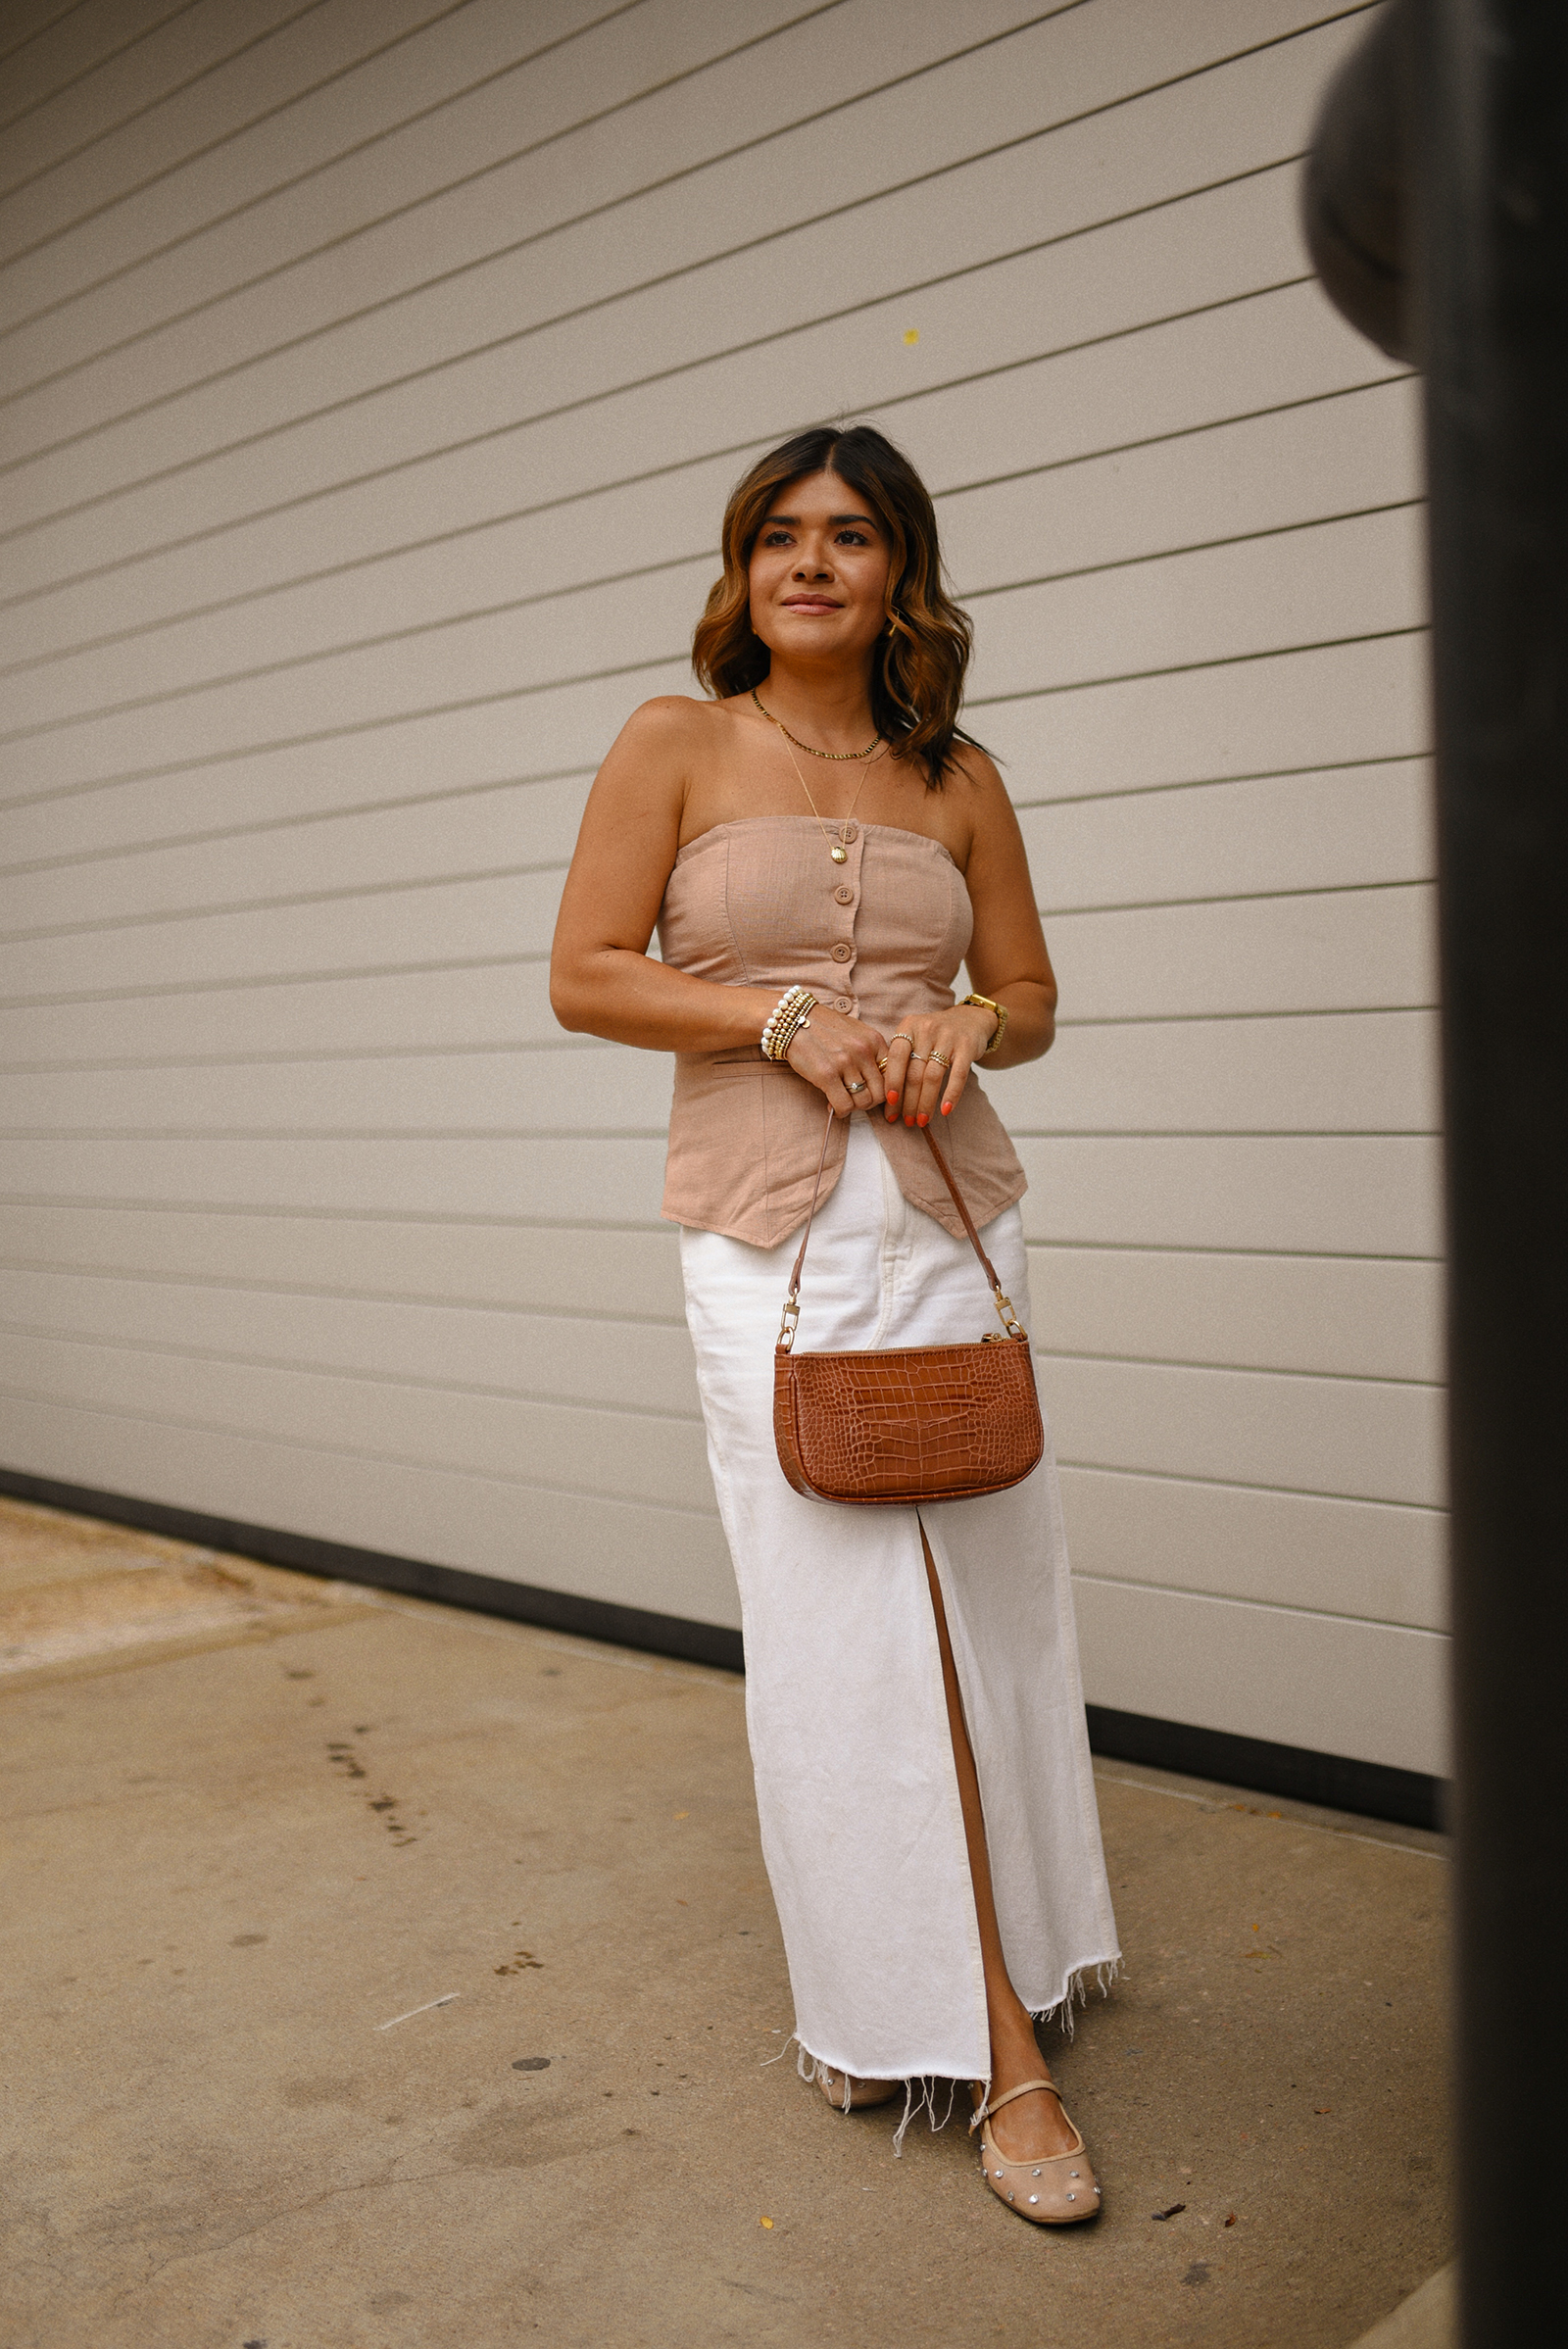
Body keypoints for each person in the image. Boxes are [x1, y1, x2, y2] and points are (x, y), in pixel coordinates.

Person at [550, 422, 1119, 2224]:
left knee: (992, 1609)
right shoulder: (676, 740)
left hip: (959, 1222)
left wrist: (974, 1027)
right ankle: (960, 2033)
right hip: (763, 1229)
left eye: (851, 536)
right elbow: (583, 973)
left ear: (901, 575)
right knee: (839, 1621)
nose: (811, 561)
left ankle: (1003, 1973)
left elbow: (1028, 991)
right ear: (743, 571)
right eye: (778, 535)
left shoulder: (960, 775)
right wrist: (779, 1015)